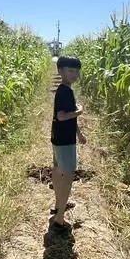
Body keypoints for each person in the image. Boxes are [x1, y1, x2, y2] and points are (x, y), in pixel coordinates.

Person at [50, 55, 86, 229]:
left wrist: (79, 134)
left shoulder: (63, 90)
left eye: (76, 71)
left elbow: (67, 117)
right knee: (69, 175)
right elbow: (62, 116)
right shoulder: (65, 92)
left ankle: (58, 204)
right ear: (61, 71)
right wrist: (79, 112)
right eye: (71, 71)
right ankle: (59, 217)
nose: (74, 75)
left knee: (57, 170)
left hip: (58, 137)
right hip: (65, 140)